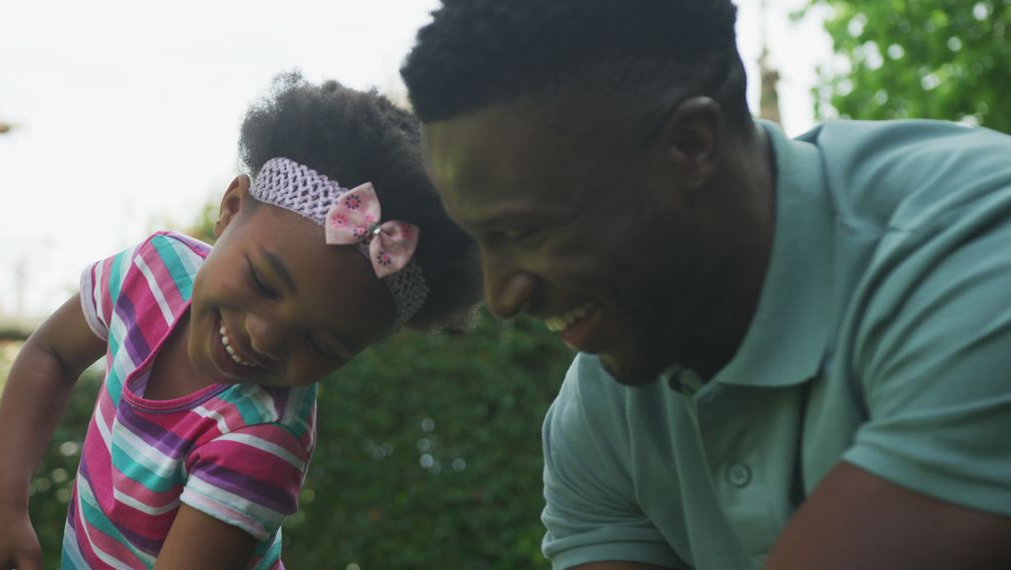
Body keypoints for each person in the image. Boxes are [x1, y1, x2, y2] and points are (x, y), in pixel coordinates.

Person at [401, 1, 1011, 569]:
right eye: (480, 240)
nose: (502, 298)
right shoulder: (603, 409)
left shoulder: (978, 248)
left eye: (526, 231)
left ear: (691, 145)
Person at [0, 73, 480, 570]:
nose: (265, 335)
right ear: (231, 208)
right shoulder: (152, 270)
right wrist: (2, 507)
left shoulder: (262, 436)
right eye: (263, 282)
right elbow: (50, 355)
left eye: (321, 343)